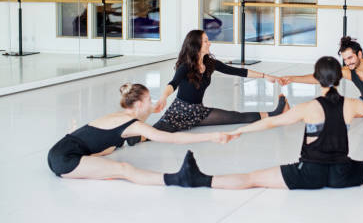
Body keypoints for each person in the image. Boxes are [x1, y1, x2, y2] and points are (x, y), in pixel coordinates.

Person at [173, 56, 363, 190]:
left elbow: (271, 123)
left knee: (252, 178)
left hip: (309, 174)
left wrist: (237, 131)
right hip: (343, 173)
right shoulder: (353, 106)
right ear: (339, 80)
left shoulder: (307, 108)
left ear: (317, 79)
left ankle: (199, 179)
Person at [47, 83, 238, 186]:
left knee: (109, 153)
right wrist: (211, 135)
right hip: (64, 160)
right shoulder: (133, 125)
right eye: (149, 100)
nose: (152, 103)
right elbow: (171, 138)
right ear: (138, 105)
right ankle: (178, 178)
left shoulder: (121, 116)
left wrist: (154, 108)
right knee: (124, 169)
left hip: (59, 151)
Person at [133, 30, 288, 142]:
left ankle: (273, 113)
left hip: (199, 112)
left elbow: (237, 71)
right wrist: (163, 97)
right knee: (152, 134)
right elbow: (173, 84)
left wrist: (265, 76)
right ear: (196, 45)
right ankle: (128, 135)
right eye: (206, 41)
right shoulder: (185, 66)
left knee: (236, 116)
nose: (209, 43)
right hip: (179, 113)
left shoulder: (210, 64)